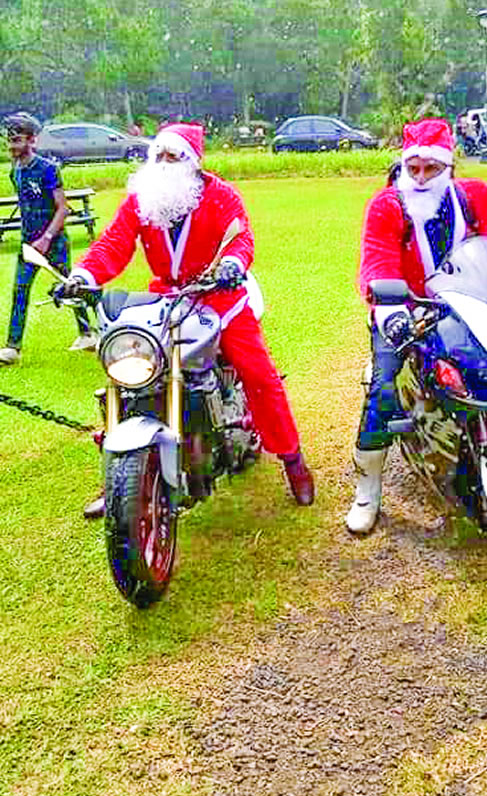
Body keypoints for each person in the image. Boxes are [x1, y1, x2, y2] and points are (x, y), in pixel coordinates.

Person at [64, 123, 315, 517]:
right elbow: (113, 242)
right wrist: (84, 276)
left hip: (221, 298)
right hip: (166, 299)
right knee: (128, 374)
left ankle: (292, 461)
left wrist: (232, 263)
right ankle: (119, 480)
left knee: (259, 374)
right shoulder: (141, 199)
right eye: (158, 156)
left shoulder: (221, 196)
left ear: (193, 163)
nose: (163, 164)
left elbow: (240, 237)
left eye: (173, 157)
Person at [344, 118, 487, 535]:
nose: (420, 178)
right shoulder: (387, 205)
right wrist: (392, 311)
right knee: (384, 392)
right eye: (413, 169)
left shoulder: (473, 196)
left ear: (448, 167)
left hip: (471, 309)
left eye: (431, 169)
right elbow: (377, 260)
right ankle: (368, 490)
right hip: (405, 313)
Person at [0, 112, 96, 366]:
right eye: (9, 141)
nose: (12, 146)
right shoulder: (15, 170)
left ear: (32, 140)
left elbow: (62, 208)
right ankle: (12, 347)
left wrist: (47, 237)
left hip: (53, 243)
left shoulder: (48, 169)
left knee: (70, 288)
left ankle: (87, 333)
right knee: (20, 290)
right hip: (27, 243)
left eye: (17, 140)